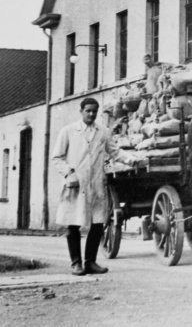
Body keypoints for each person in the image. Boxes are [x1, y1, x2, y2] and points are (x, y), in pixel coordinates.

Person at [52, 97, 139, 276]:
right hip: (76, 184)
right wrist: (69, 172)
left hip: (97, 183)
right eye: (88, 111)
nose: (91, 114)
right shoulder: (68, 131)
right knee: (73, 223)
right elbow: (57, 158)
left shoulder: (103, 132)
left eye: (94, 111)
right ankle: (76, 263)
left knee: (98, 223)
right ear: (81, 111)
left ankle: (90, 262)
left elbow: (114, 151)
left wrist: (132, 160)